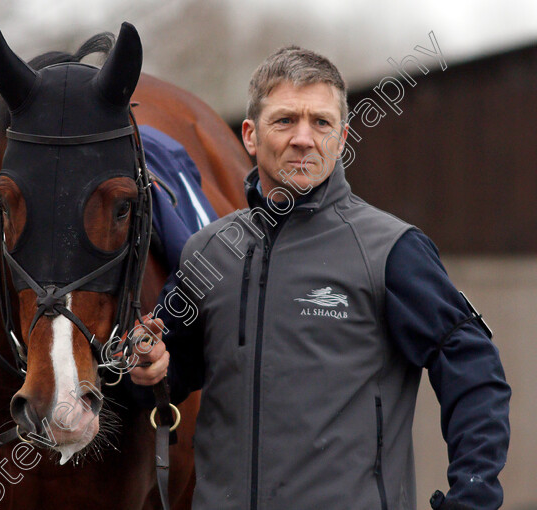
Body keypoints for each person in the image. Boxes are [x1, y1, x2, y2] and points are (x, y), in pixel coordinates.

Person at [128, 46, 510, 510]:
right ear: (250, 135)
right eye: (285, 120)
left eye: (321, 123)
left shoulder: (391, 249)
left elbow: (474, 370)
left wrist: (474, 494)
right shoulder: (206, 252)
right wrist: (148, 370)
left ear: (342, 137)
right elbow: (169, 377)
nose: (304, 138)